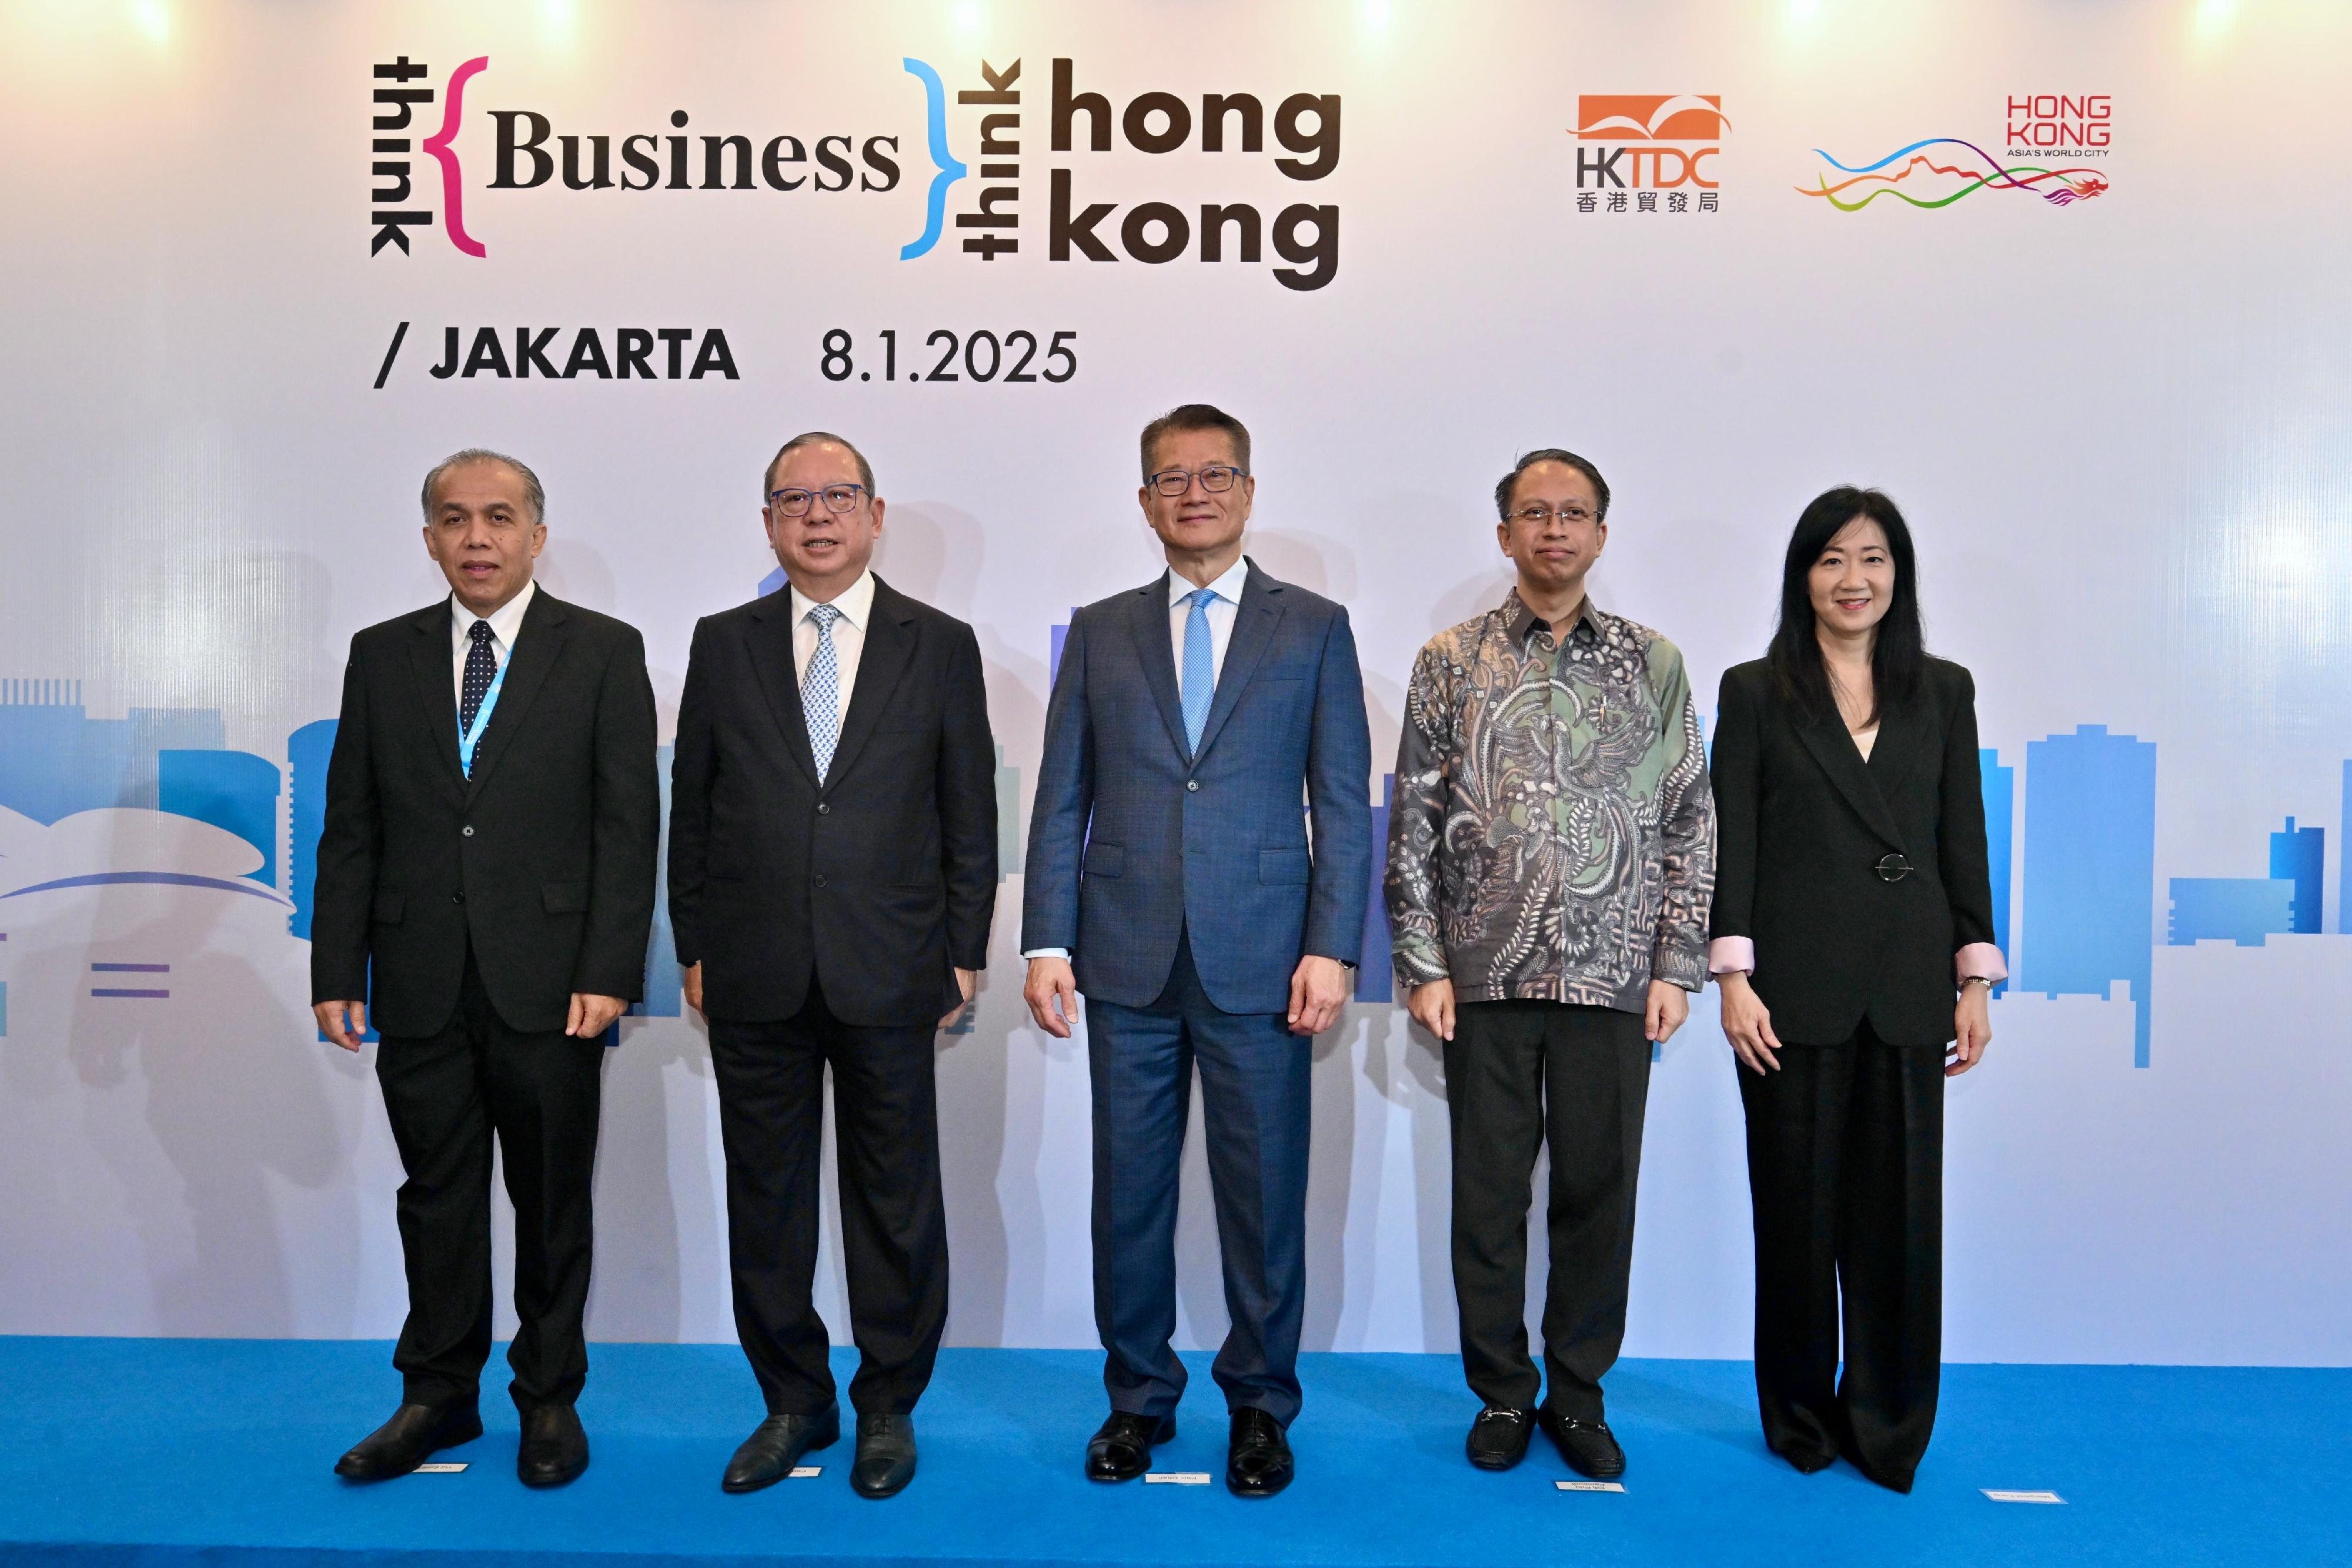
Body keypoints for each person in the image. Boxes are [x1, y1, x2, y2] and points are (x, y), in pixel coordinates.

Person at [1022, 403, 1371, 1498]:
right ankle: (1138, 1402)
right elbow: (1060, 797)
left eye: (1217, 475)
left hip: (1267, 960)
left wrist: (1334, 947)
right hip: (1124, 958)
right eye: (1172, 478)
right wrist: (1045, 940)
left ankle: (1261, 1407)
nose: (1195, 493)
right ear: (1144, 502)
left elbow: (1344, 806)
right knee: (1127, 1198)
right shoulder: (1102, 625)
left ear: (1250, 494)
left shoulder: (1313, 625)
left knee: (1264, 1199)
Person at [313, 449, 659, 1486]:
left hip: (555, 984)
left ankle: (548, 1399)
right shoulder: (382, 656)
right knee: (438, 1199)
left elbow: (627, 827)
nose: (477, 538)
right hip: (418, 979)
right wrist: (339, 969)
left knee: (552, 1201)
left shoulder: (601, 651)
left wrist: (608, 968)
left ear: (536, 535)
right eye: (455, 520)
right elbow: (353, 827)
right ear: (429, 539)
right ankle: (435, 1398)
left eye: (499, 518)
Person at [670, 432, 997, 1500]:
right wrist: (697, 944)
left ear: (875, 512)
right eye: (794, 500)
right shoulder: (723, 643)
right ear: (768, 522)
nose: (817, 516)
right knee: (765, 1200)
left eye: (838, 496)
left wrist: (963, 951)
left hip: (894, 965)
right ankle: (792, 1401)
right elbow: (695, 812)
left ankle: (889, 1406)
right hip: (755, 968)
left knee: (894, 1200)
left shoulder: (938, 643)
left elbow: (968, 811)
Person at [1385, 449, 1714, 1480]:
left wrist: (1677, 963)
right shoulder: (1451, 659)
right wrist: (1422, 959)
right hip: (1481, 975)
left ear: (1603, 537)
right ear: (1504, 535)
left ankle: (1577, 1395)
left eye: (1575, 514)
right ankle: (1500, 1395)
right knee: (1488, 1198)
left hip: (1615, 976)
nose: (1555, 530)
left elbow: (1687, 818)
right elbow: (1415, 820)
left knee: (1596, 1194)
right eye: (1535, 513)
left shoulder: (1654, 662)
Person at [1708, 486, 2000, 1493]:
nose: (1853, 579)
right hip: (1790, 990)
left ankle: (1889, 1425)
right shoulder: (1755, 690)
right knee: (1793, 1218)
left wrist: (1976, 975)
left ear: (1898, 576)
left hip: (1913, 985)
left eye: (1873, 559)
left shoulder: (1945, 690)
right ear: (1803, 576)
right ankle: (1798, 1416)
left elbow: (1963, 835)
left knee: (1900, 1228)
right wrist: (1733, 977)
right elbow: (1733, 840)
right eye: (1832, 559)